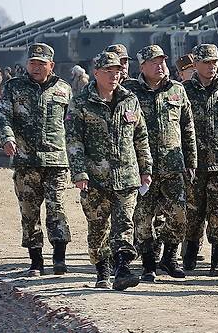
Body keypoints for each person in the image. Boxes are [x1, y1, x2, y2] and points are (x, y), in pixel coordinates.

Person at [65, 51, 153, 290]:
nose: (114, 76)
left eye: (117, 71)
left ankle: (122, 269)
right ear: (96, 73)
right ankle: (102, 270)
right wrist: (79, 173)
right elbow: (74, 141)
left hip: (127, 176)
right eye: (108, 71)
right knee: (98, 227)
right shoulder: (81, 102)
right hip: (95, 179)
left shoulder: (130, 100)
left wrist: (145, 168)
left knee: (125, 224)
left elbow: (141, 137)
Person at [0, 43, 72, 277]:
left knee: (57, 208)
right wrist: (7, 138)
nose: (36, 68)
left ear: (51, 66)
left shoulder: (64, 89)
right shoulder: (13, 87)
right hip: (25, 161)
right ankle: (36, 261)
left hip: (57, 161)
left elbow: (73, 124)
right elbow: (2, 116)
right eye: (32, 63)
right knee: (29, 212)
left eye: (41, 64)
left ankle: (59, 257)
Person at [123, 45, 197, 282]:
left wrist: (191, 159)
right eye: (154, 62)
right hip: (142, 168)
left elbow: (187, 126)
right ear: (142, 66)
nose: (160, 66)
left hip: (173, 166)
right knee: (142, 219)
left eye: (163, 61)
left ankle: (169, 257)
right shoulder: (129, 91)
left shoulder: (177, 90)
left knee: (179, 216)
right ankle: (148, 264)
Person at [182, 44, 218, 274]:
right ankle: (190, 256)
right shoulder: (184, 90)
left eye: (215, 62)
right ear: (196, 65)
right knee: (193, 211)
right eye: (207, 62)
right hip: (194, 163)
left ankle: (217, 261)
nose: (212, 66)